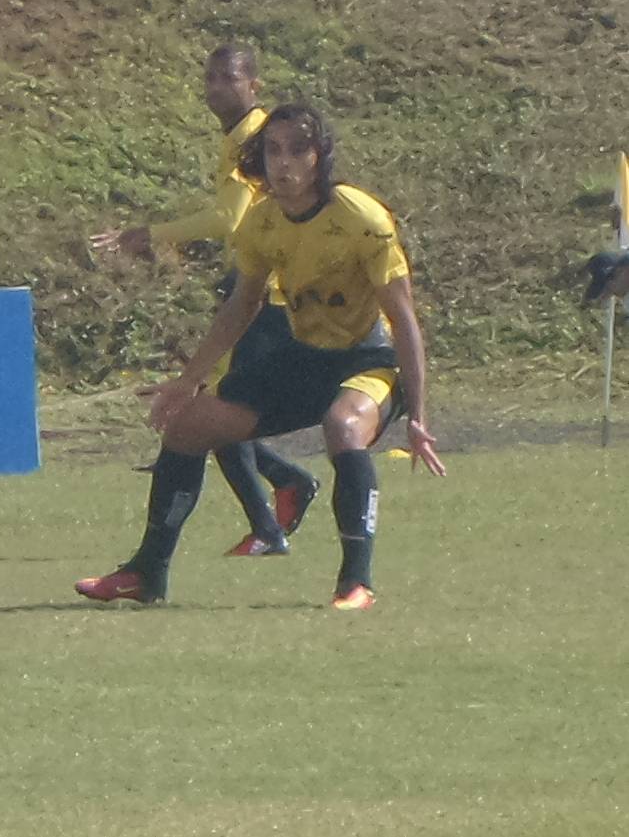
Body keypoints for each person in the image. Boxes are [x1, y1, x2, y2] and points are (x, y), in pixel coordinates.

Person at [76, 104, 447, 611]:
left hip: (369, 360)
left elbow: (403, 317)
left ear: (320, 157)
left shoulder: (361, 217)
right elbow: (243, 304)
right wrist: (189, 381)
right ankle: (146, 572)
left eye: (298, 149)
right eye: (273, 150)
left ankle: (355, 583)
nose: (284, 162)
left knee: (343, 427)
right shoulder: (263, 222)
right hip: (304, 357)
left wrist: (419, 415)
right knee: (186, 427)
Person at [91, 44, 319, 557]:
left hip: (270, 292)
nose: (215, 88)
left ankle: (272, 517)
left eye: (228, 79)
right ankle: (283, 490)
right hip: (258, 283)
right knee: (218, 408)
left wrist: (150, 233)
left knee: (215, 409)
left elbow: (228, 220)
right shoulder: (241, 137)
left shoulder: (257, 140)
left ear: (253, 86)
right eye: (210, 78)